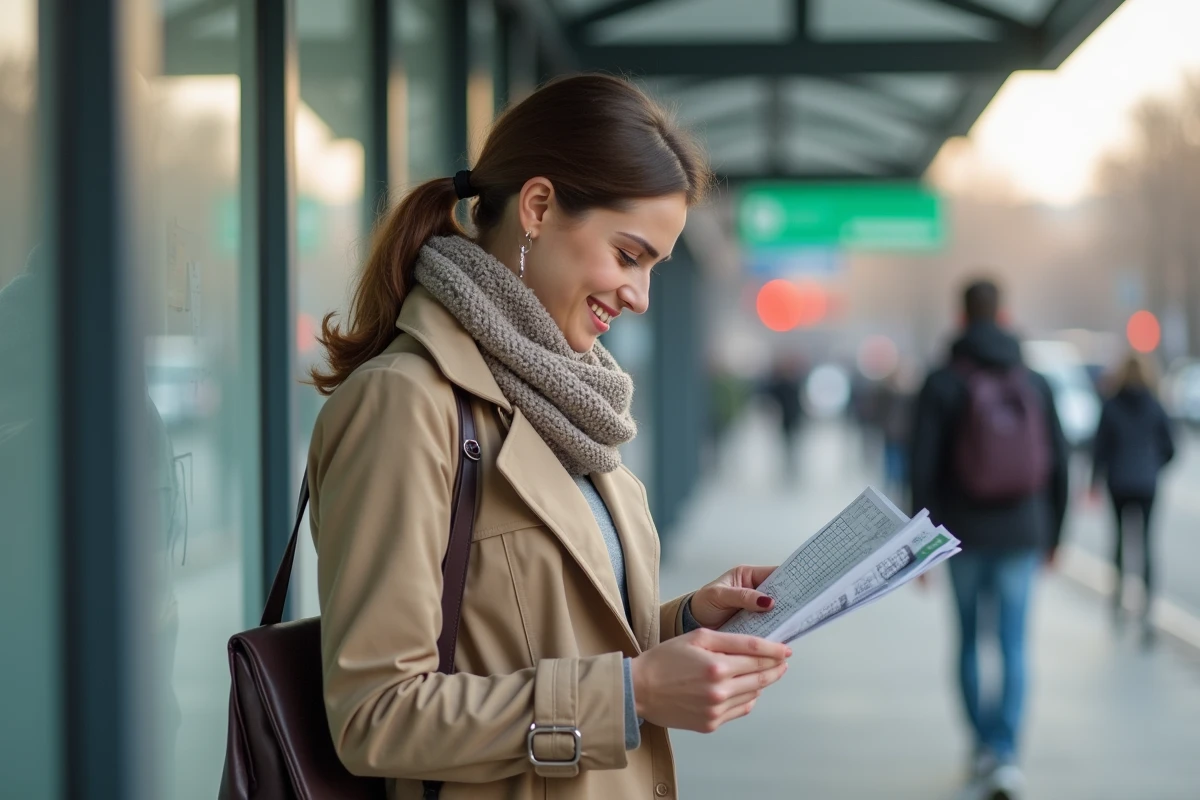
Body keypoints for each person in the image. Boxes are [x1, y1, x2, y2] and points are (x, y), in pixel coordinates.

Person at [305, 74, 790, 800]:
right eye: (628, 256)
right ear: (537, 208)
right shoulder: (406, 403)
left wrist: (687, 620)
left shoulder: (567, 396)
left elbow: (537, 633)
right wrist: (635, 693)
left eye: (653, 267)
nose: (640, 295)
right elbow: (375, 716)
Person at [910, 279, 1069, 800]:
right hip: (1023, 531)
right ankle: (1006, 754)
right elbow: (1059, 464)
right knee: (1015, 645)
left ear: (961, 317)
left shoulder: (942, 380)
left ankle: (981, 747)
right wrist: (1055, 535)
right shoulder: (1034, 378)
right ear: (1004, 314)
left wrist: (919, 549)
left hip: (960, 534)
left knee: (970, 642)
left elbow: (922, 468)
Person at [1092, 353, 1175, 644]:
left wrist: (1094, 481)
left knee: (1120, 542)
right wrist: (1153, 466)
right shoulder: (1155, 405)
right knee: (1147, 543)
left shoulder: (1111, 405)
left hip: (1119, 482)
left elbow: (1099, 448)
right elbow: (1170, 446)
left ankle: (1118, 599)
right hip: (1146, 483)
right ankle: (1147, 609)